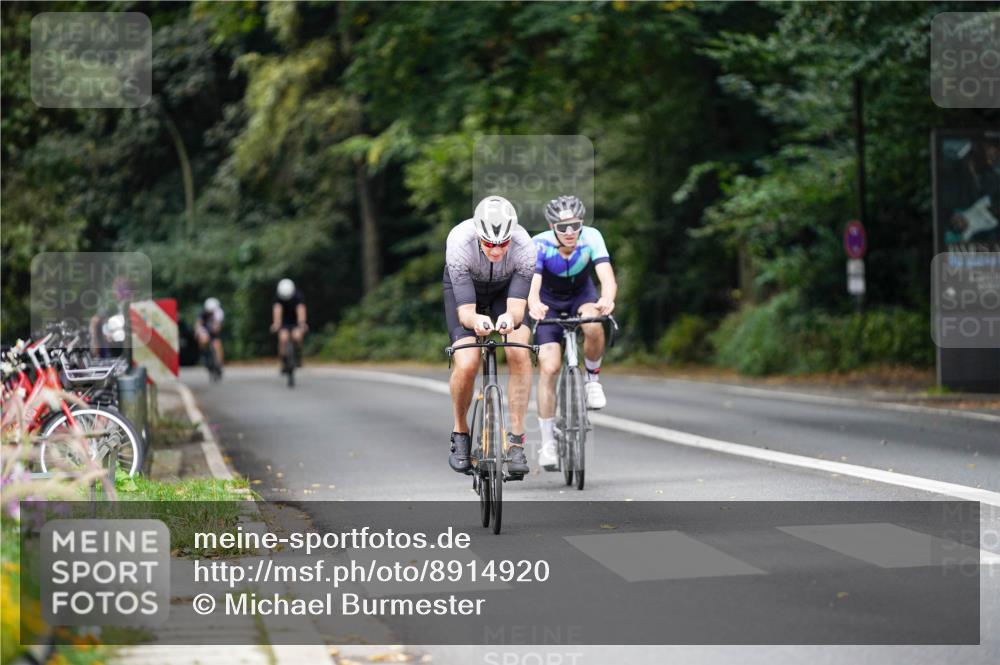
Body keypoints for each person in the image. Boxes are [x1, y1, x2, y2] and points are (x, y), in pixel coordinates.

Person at [444, 195, 535, 476]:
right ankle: (461, 432)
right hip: (466, 291)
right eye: (489, 244)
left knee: (519, 351)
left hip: (504, 292)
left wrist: (509, 318)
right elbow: (466, 313)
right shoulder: (459, 242)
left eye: (503, 244)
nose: (496, 250)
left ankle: (516, 442)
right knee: (468, 361)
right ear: (478, 235)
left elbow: (517, 308)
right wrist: (476, 320)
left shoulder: (525, 247)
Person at [527, 195, 617, 471]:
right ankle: (547, 444)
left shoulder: (592, 237)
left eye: (575, 225)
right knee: (550, 368)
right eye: (562, 227)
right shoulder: (539, 244)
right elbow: (533, 283)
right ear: (551, 225)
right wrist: (534, 304)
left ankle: (592, 380)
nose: (570, 232)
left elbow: (607, 277)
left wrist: (607, 299)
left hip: (581, 295)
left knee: (593, 322)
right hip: (548, 302)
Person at [270, 278, 308, 369]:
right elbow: (277, 310)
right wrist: (276, 324)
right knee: (283, 338)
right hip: (284, 321)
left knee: (297, 336)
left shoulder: (298, 296)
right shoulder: (278, 297)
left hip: (296, 320)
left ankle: (298, 356)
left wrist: (302, 323)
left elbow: (301, 309)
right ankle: (283, 361)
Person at [195, 297, 225, 376]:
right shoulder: (202, 313)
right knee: (203, 339)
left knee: (217, 344)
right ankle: (204, 354)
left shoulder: (219, 312)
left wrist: (216, 327)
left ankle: (219, 363)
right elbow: (198, 324)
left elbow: (217, 325)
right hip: (204, 329)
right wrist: (198, 332)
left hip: (213, 331)